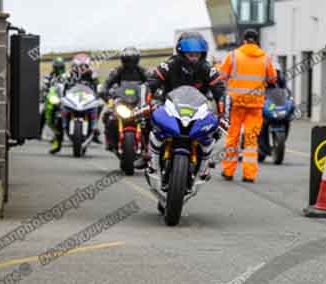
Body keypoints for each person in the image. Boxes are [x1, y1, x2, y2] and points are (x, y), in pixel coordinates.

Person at [145, 32, 226, 176]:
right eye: (190, 54)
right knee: (148, 120)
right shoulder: (169, 64)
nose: (194, 58)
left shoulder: (208, 69)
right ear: (181, 53)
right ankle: (151, 158)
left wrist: (223, 114)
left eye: (197, 54)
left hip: (198, 109)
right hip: (169, 106)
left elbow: (220, 90)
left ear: (203, 54)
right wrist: (146, 103)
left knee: (216, 129)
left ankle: (204, 165)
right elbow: (152, 81)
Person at [217, 29, 276, 182]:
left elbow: (221, 76)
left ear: (244, 40)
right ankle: (249, 174)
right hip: (255, 105)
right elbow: (272, 78)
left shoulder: (233, 55)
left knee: (233, 137)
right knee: (251, 140)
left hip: (236, 104)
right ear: (256, 41)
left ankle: (228, 171)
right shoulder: (265, 57)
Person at [99, 47, 149, 164]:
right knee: (108, 116)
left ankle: (148, 148)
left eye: (132, 60)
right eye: (127, 60)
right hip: (122, 102)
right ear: (123, 60)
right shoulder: (117, 71)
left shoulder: (143, 71)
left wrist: (154, 93)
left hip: (138, 103)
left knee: (151, 120)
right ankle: (110, 141)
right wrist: (106, 94)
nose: (130, 63)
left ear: (137, 60)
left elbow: (152, 83)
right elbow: (107, 84)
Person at [40, 57, 67, 138]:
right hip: (53, 98)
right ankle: (39, 131)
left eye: (61, 67)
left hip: (65, 98)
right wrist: (44, 94)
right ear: (54, 67)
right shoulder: (49, 76)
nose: (59, 69)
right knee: (44, 111)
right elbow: (44, 87)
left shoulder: (67, 76)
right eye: (57, 67)